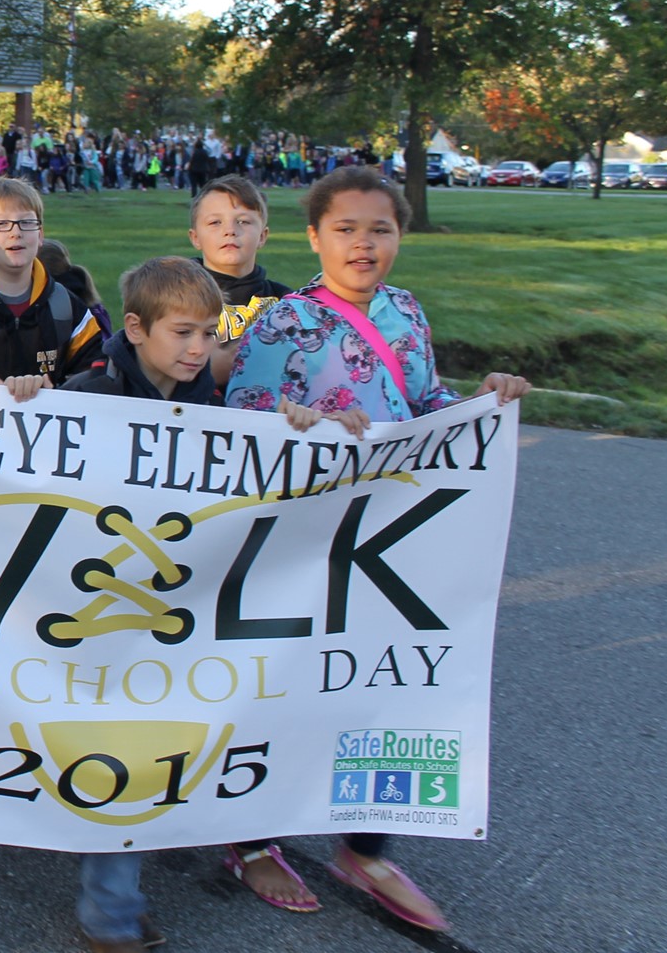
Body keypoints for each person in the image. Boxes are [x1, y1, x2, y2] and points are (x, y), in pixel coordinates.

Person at [224, 165, 530, 932]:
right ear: (315, 236)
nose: (364, 244)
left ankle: (364, 844)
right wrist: (302, 421)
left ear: (400, 235)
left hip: (388, 543)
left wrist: (483, 402)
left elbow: (423, 405)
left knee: (384, 684)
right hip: (300, 540)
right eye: (347, 228)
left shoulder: (405, 313)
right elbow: (243, 426)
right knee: (286, 681)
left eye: (380, 228)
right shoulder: (282, 323)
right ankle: (252, 835)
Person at [60, 257, 329, 953]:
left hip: (176, 609)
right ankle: (110, 914)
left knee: (165, 740)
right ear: (136, 328)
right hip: (103, 611)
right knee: (124, 746)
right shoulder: (87, 394)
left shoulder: (205, 398)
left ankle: (121, 894)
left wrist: (290, 428)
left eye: (209, 334)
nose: (197, 348)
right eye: (182, 332)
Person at [0, 177, 102, 386]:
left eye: (26, 222)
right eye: (0, 224)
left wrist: (56, 391)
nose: (15, 233)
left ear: (40, 235)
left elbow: (97, 379)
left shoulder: (69, 310)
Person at [189, 174, 291, 390]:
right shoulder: (175, 298)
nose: (230, 230)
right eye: (215, 222)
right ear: (195, 237)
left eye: (243, 221)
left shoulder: (286, 305)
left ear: (262, 236)